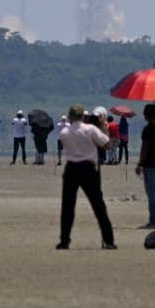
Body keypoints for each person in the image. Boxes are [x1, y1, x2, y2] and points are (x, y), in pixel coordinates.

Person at [56, 103, 115, 250]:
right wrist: (104, 128)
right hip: (88, 168)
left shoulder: (64, 132)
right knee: (98, 205)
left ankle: (64, 240)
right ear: (83, 116)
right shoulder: (90, 129)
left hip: (71, 168)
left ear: (70, 117)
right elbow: (107, 144)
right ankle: (108, 240)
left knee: (68, 206)